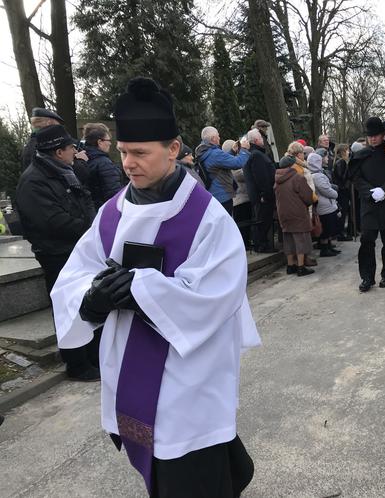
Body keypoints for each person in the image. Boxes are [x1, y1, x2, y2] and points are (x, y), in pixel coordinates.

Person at [50, 77, 260, 496]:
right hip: (132, 371)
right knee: (159, 474)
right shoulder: (111, 214)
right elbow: (74, 275)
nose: (129, 163)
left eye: (140, 153)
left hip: (189, 377)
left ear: (174, 150)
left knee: (193, 469)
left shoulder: (208, 218)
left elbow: (217, 294)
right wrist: (92, 301)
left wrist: (140, 289)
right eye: (125, 152)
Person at [15, 124, 98, 381]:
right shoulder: (33, 181)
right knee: (66, 307)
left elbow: (85, 201)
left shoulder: (65, 172)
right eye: (72, 147)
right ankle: (76, 363)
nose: (76, 150)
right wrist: (88, 228)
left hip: (77, 249)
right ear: (59, 151)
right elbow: (53, 221)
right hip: (57, 253)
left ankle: (92, 355)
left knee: (86, 302)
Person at [350, 117, 385, 292]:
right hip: (369, 204)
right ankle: (367, 277)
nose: (373, 139)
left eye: (376, 135)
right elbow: (356, 178)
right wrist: (369, 192)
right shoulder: (360, 155)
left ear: (383, 135)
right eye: (370, 136)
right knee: (367, 241)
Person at [275, 142, 316, 276]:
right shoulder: (297, 178)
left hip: (283, 213)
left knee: (288, 239)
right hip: (298, 213)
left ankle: (290, 265)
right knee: (300, 239)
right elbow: (308, 196)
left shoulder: (277, 180)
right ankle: (300, 267)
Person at [22, 107, 90, 183]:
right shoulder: (40, 146)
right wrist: (80, 161)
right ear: (48, 123)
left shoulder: (32, 144)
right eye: (57, 126)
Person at [195, 126, 250, 215]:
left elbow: (219, 162)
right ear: (213, 139)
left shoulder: (205, 152)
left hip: (215, 195)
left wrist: (232, 151)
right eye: (218, 136)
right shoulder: (214, 153)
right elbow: (238, 163)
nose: (219, 138)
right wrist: (244, 150)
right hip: (223, 197)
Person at [244, 128, 277, 252]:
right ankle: (262, 245)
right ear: (257, 140)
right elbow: (261, 177)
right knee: (263, 220)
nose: (263, 140)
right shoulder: (256, 155)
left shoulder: (256, 154)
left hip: (262, 195)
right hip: (262, 196)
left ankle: (263, 244)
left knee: (264, 220)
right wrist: (265, 194)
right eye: (261, 138)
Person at [83, 122, 124, 209]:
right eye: (108, 140)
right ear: (100, 142)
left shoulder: (84, 158)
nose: (110, 143)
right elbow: (114, 194)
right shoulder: (104, 163)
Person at [307, 153, 341, 257]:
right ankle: (325, 249)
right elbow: (325, 189)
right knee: (326, 228)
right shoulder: (317, 176)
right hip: (325, 206)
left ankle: (329, 246)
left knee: (329, 228)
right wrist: (335, 193)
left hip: (326, 205)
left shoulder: (316, 174)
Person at [332, 144, 353, 241]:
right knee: (343, 212)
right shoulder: (341, 162)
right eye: (347, 150)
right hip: (342, 190)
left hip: (343, 190)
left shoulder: (341, 162)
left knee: (344, 212)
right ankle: (340, 234)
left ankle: (343, 232)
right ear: (343, 152)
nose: (349, 152)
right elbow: (342, 177)